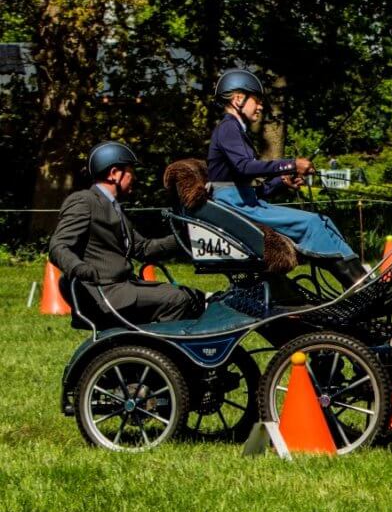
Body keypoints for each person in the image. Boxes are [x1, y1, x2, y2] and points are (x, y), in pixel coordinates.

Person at [207, 68, 365, 287]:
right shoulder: (228, 128)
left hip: (243, 202)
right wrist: (291, 164)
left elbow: (248, 187)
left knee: (323, 221)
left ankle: (364, 281)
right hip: (233, 207)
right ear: (238, 99)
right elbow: (244, 167)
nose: (261, 106)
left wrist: (281, 182)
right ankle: (358, 287)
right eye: (257, 100)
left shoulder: (234, 130)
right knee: (312, 223)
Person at [49, 142, 205, 327]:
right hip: (106, 292)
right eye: (130, 171)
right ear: (114, 173)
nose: (134, 177)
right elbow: (58, 246)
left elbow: (143, 249)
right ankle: (155, 345)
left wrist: (187, 237)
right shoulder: (84, 201)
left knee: (196, 298)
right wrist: (78, 268)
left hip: (123, 288)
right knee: (178, 299)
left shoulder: (113, 207)